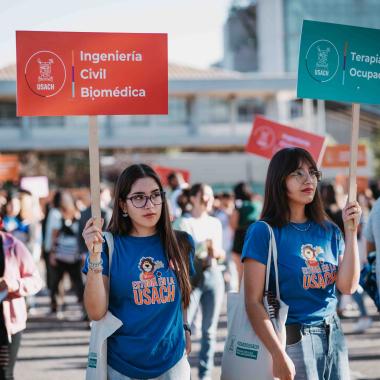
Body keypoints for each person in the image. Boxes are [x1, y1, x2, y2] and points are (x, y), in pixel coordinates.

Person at [242, 147, 361, 380]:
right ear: (280, 180)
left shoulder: (329, 230)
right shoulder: (263, 232)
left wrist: (352, 233)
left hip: (334, 333)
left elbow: (348, 287)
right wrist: (278, 354)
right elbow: (252, 301)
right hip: (294, 339)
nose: (309, 179)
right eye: (297, 173)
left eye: (313, 172)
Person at [82, 164, 195, 380]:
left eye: (155, 195)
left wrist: (185, 326)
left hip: (172, 363)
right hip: (122, 366)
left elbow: (183, 295)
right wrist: (95, 257)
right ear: (123, 205)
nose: (149, 204)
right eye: (139, 197)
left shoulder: (181, 243)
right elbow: (96, 312)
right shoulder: (106, 245)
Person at [176, 183, 225, 380]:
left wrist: (216, 252)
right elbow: (179, 253)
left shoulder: (215, 222)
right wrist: (201, 247)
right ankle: (182, 371)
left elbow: (222, 253)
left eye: (211, 196)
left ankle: (205, 375)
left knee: (209, 331)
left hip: (213, 273)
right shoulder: (182, 223)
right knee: (184, 327)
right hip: (191, 277)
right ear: (194, 198)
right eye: (205, 195)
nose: (209, 199)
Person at [0, 217, 42, 379]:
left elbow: (36, 281)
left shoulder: (13, 246)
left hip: (7, 324)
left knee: (4, 373)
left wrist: (13, 284)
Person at [230, 182, 262, 283]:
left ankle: (242, 296)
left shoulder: (239, 206)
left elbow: (233, 225)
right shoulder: (258, 203)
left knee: (240, 273)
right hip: (255, 239)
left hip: (240, 239)